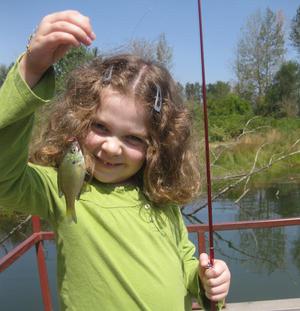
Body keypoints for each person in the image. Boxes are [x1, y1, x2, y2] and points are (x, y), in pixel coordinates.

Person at [0, 10, 230, 311]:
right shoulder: (62, 189)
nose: (111, 147)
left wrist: (204, 280)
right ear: (79, 121)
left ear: (156, 147)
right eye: (100, 127)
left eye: (133, 138)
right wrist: (32, 68)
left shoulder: (162, 202)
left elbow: (184, 262)